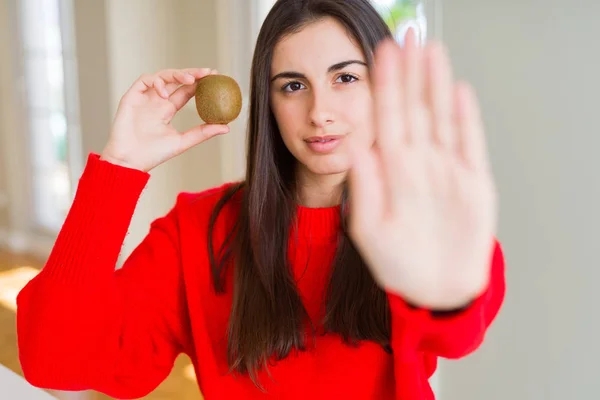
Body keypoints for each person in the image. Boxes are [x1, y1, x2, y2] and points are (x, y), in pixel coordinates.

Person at [16, 0, 505, 398]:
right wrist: (117, 171)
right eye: (293, 86)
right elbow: (54, 362)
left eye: (345, 77)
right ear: (268, 104)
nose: (320, 113)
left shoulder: (413, 220)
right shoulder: (198, 229)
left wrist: (452, 293)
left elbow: (457, 336)